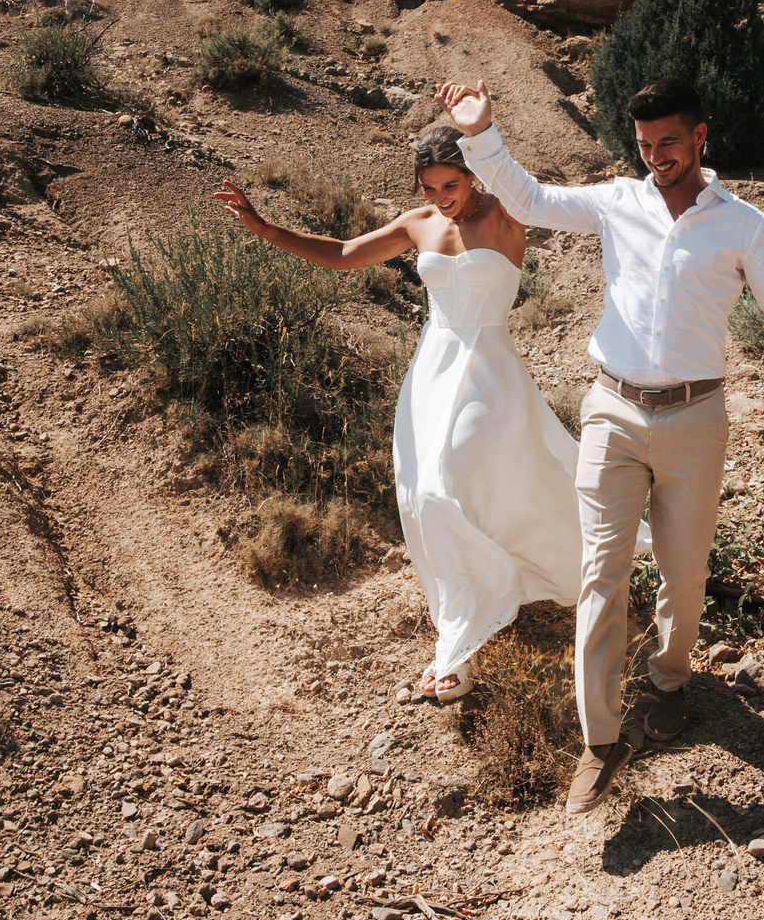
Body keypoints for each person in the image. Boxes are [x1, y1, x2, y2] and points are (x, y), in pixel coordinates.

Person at [436, 75, 764, 813]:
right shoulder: (617, 202)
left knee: (683, 577)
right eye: (646, 146)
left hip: (696, 419)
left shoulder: (740, 224)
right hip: (612, 410)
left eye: (670, 143)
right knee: (601, 572)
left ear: (701, 137)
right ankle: (601, 740)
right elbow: (529, 198)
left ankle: (671, 678)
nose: (658, 158)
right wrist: (482, 132)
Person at [211, 124, 580, 704]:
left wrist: (482, 127)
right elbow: (341, 255)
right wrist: (263, 227)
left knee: (441, 490)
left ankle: (479, 616)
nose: (440, 198)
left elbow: (552, 198)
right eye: (429, 187)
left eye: (450, 184)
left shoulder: (510, 212)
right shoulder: (419, 224)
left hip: (489, 371)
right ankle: (461, 642)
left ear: (474, 173)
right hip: (432, 372)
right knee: (423, 495)